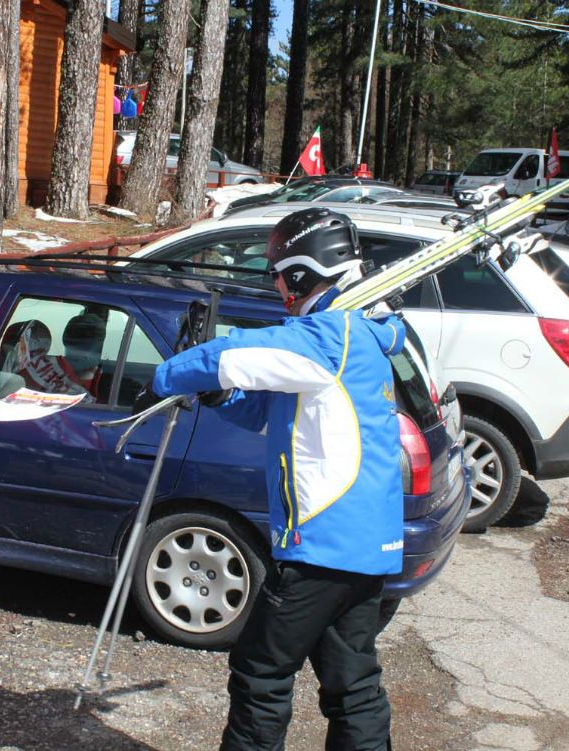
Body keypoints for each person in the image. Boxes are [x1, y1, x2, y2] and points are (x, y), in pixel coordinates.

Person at [140, 208, 405, 751]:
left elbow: (236, 356)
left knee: (260, 671)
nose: (277, 283)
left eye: (280, 271)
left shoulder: (328, 336)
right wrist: (222, 396)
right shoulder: (353, 335)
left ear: (306, 271)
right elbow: (264, 408)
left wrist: (167, 375)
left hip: (323, 546)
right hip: (362, 545)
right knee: (351, 682)